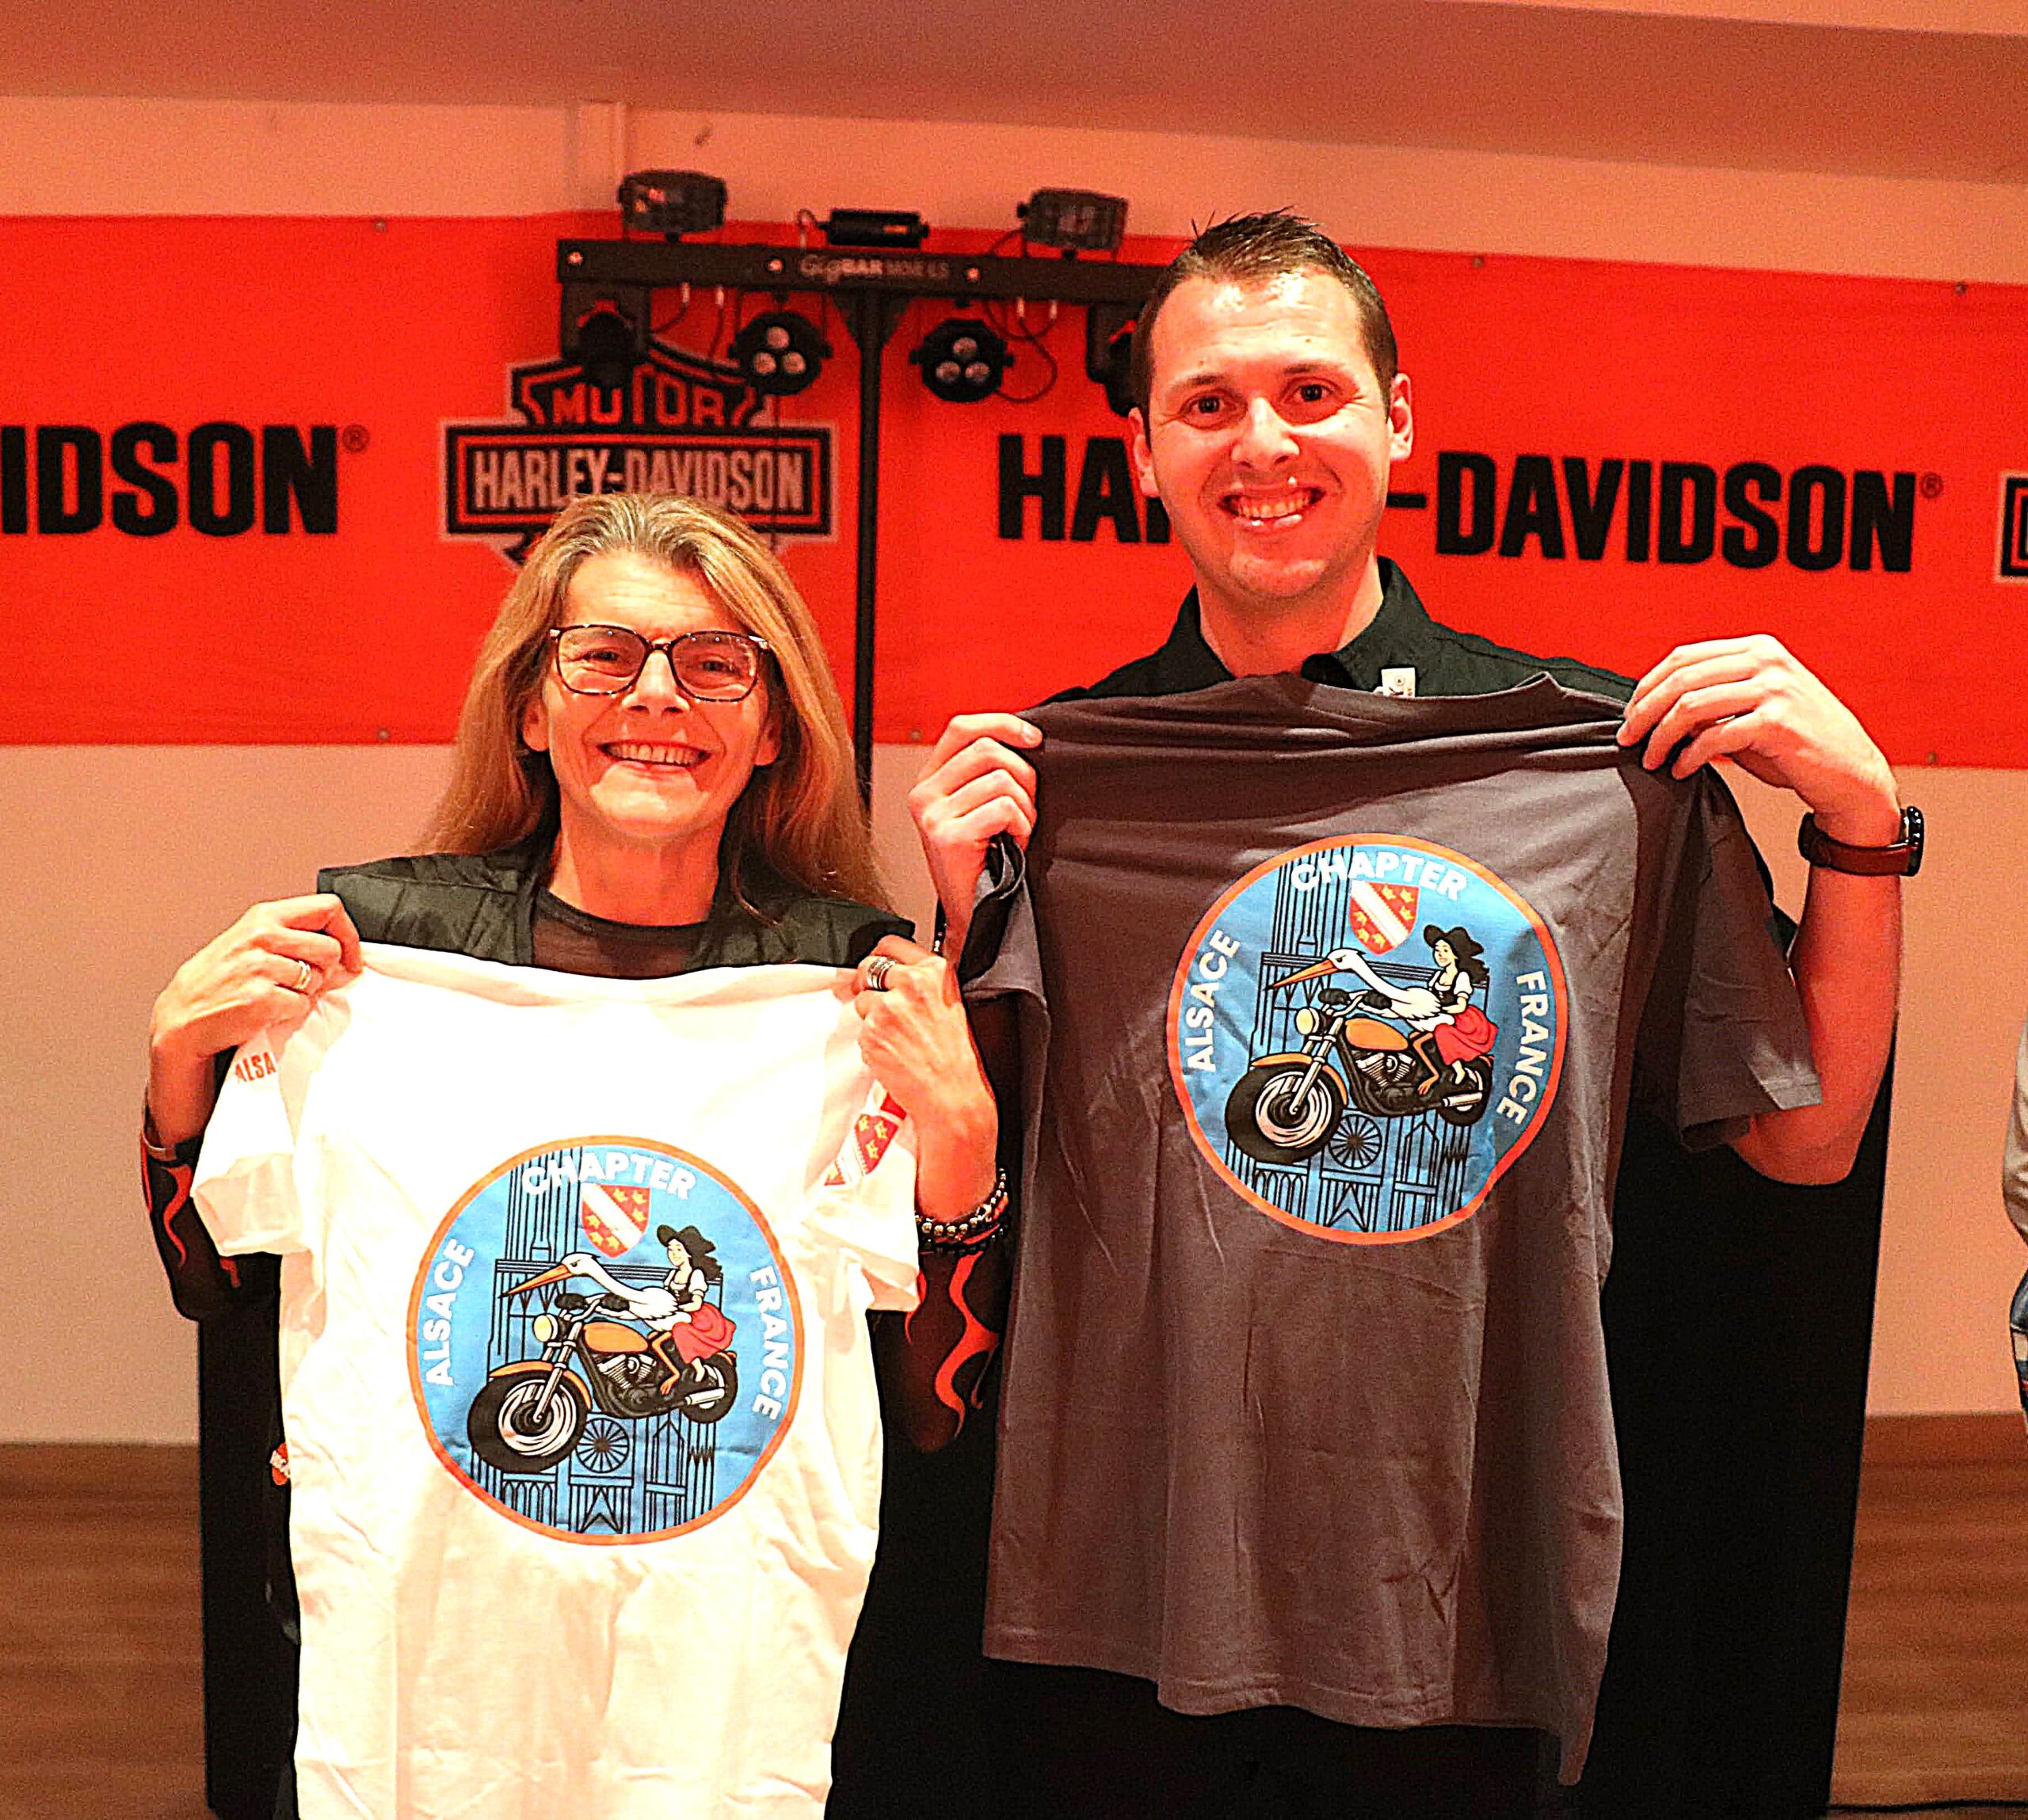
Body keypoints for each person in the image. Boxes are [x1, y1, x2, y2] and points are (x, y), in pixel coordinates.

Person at [905, 211, 1912, 1816]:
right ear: (1144, 450)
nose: (1262, 442)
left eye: (1308, 391)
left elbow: (1807, 1142)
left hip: (1457, 1593)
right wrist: (967, 923)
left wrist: (1860, 825)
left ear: (1396, 422)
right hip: (1127, 1588)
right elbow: (962, 1201)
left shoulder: (1593, 766)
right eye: (1208, 402)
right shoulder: (1058, 786)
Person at [143, 491, 1001, 1818]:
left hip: (716, 1721)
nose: (656, 694)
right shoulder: (371, 968)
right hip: (422, 1711)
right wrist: (176, 1066)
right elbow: (217, 1279)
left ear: (775, 726)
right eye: (603, 655)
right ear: (532, 707)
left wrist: (962, 1139)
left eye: (714, 661)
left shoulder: (851, 995)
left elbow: (939, 1405)